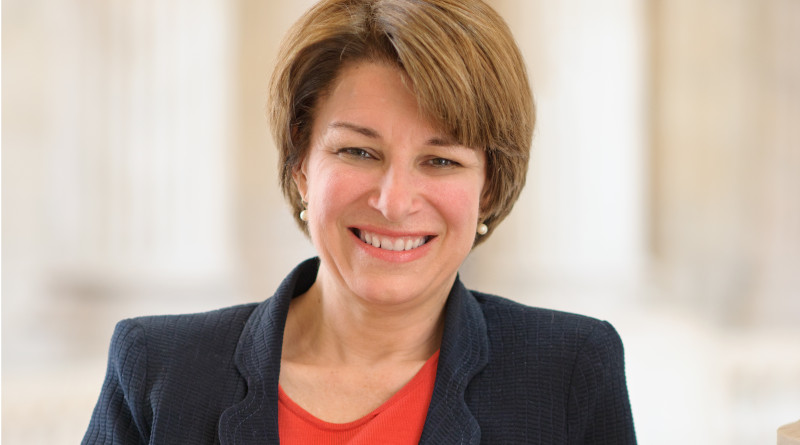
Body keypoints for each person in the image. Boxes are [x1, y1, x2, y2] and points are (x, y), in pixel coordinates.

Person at [83, 0, 636, 443]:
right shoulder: (158, 370)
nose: (394, 202)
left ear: (489, 188)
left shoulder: (568, 370)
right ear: (301, 164)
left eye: (441, 161)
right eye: (357, 152)